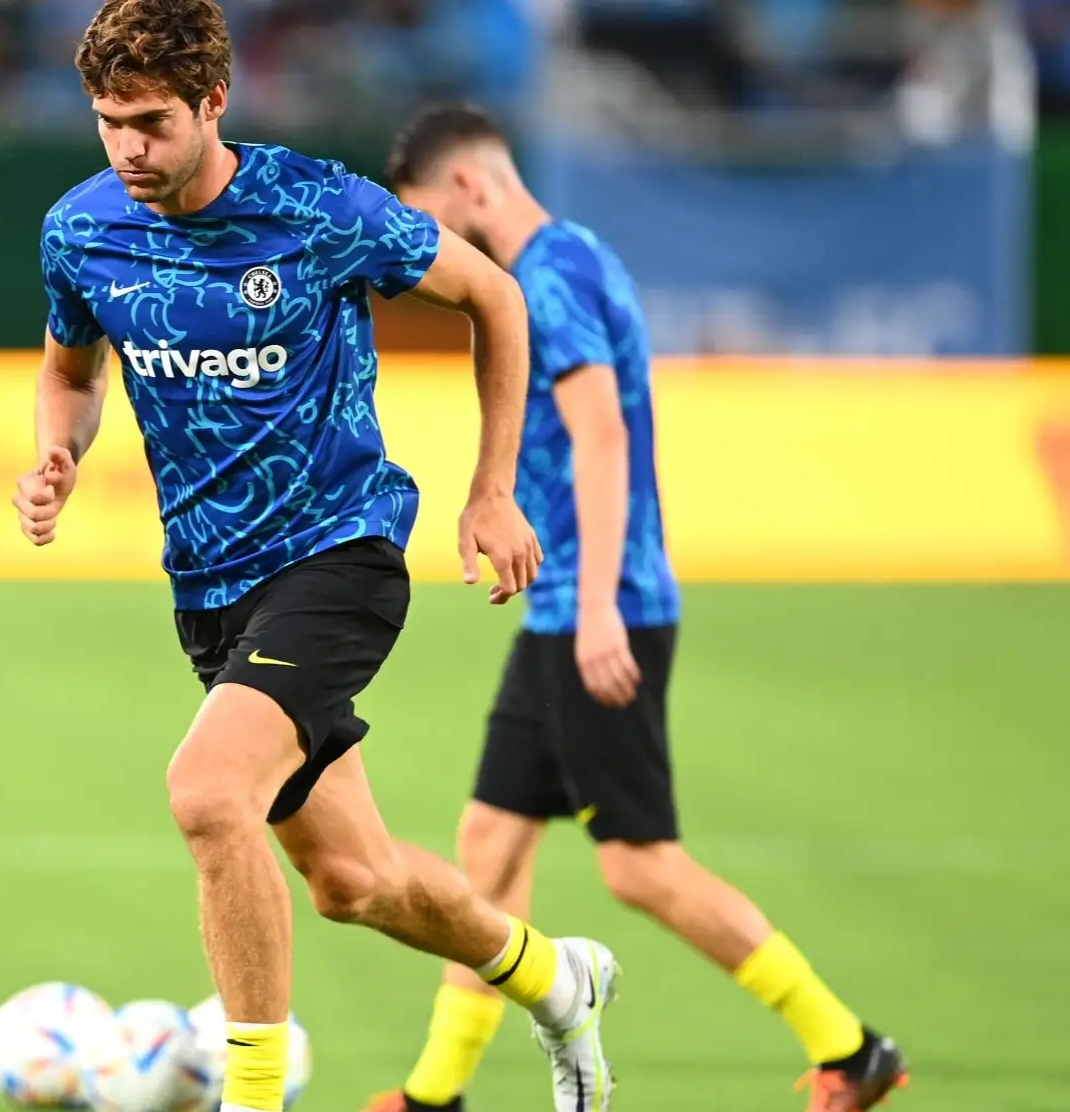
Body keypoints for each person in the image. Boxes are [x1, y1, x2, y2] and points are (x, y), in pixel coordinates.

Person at [13, 4, 621, 1110]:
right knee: (355, 879)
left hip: (338, 554)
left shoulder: (320, 206)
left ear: (212, 102)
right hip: (210, 588)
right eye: (108, 124)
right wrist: (58, 450)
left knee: (206, 792)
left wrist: (494, 489)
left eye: (151, 121)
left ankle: (252, 1095)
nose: (129, 149)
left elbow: (494, 293)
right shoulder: (81, 228)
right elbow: (70, 367)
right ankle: (555, 974)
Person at [373, 104, 910, 1112]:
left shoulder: (549, 278)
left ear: (471, 189)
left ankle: (850, 1044)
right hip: (564, 610)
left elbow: (603, 437)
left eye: (429, 220)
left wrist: (602, 607)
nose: (429, 247)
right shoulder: (574, 255)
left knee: (639, 867)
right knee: (488, 843)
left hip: (598, 608)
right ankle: (434, 1095)